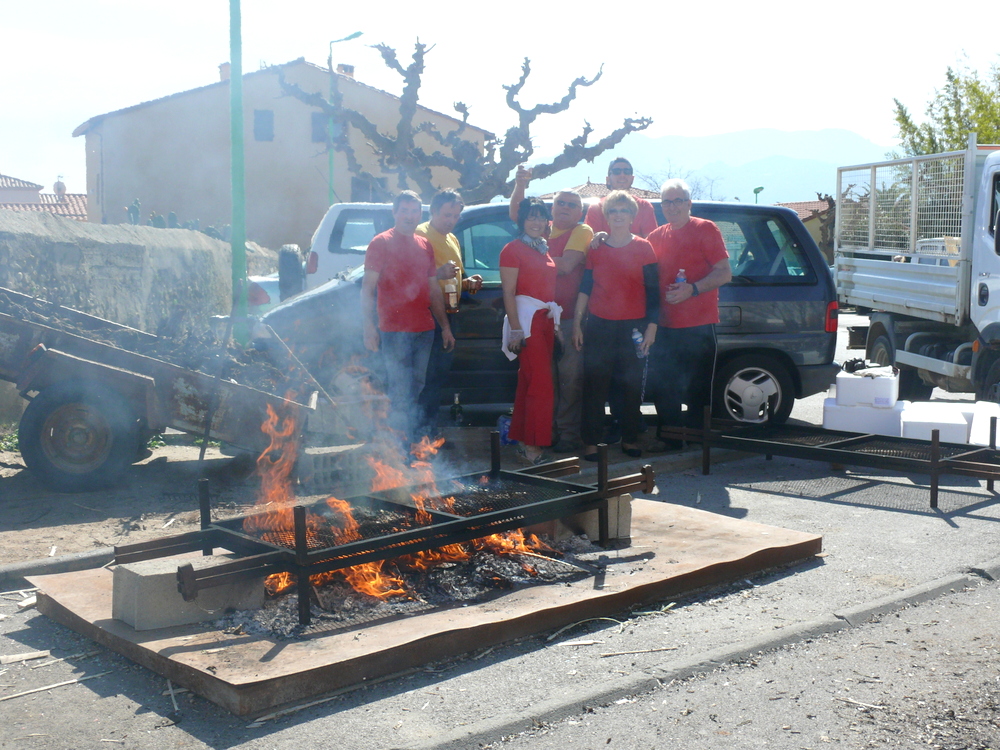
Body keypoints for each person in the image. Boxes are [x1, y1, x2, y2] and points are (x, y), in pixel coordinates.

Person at [508, 167, 594, 452]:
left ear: (580, 212)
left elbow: (567, 265)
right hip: (535, 322)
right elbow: (519, 213)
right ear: (551, 210)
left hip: (565, 320)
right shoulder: (538, 235)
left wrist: (532, 258)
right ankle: (543, 437)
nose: (566, 208)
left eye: (573, 205)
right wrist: (521, 184)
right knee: (544, 383)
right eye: (560, 203)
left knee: (568, 383)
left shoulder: (574, 232)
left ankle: (566, 437)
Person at [362, 191, 455, 445]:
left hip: (424, 330)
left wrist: (444, 327)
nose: (409, 216)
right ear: (394, 212)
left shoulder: (424, 245)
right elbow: (368, 288)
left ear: (419, 215)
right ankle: (397, 448)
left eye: (414, 211)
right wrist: (368, 327)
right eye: (404, 210)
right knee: (399, 391)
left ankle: (409, 444)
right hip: (393, 331)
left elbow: (433, 289)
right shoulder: (380, 243)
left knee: (417, 388)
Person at [572, 191, 659, 460]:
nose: (618, 215)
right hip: (599, 325)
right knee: (595, 386)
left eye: (623, 211)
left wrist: (652, 327)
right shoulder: (596, 247)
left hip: (633, 328)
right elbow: (585, 287)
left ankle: (630, 438)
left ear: (633, 216)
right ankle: (591, 442)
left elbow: (654, 292)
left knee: (631, 387)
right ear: (606, 215)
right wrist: (577, 323)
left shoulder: (644, 247)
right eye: (613, 211)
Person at [647, 178, 732, 451]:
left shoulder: (705, 229)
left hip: (699, 325)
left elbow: (724, 272)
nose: (672, 207)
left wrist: (692, 289)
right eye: (667, 202)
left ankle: (697, 445)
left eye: (678, 201)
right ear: (662, 206)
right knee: (664, 389)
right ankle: (672, 441)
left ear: (688, 203)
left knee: (698, 390)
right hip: (664, 326)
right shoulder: (656, 236)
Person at [415, 189, 483, 440]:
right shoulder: (422, 234)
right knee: (427, 377)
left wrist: (469, 282)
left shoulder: (452, 238)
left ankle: (429, 434)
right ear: (432, 211)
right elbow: (410, 275)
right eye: (446, 215)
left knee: (439, 376)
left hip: (450, 312)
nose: (450, 220)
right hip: (428, 314)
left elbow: (455, 278)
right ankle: (422, 436)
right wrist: (437, 273)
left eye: (455, 216)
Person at [500, 197, 560, 464]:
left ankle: (523, 440)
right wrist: (515, 329)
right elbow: (509, 292)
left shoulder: (542, 248)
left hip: (545, 319)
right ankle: (534, 445)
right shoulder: (512, 249)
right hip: (526, 321)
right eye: (531, 217)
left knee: (529, 382)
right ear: (521, 220)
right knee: (541, 385)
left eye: (541, 217)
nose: (536, 222)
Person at [584, 157, 658, 238]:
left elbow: (652, 242)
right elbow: (591, 242)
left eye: (627, 171)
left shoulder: (644, 206)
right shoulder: (596, 208)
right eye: (616, 171)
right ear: (608, 179)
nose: (622, 175)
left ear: (632, 178)